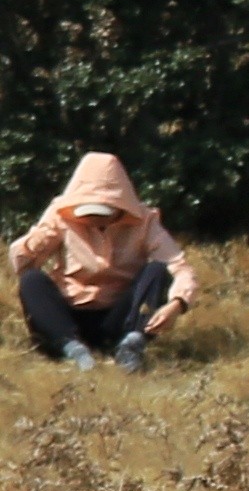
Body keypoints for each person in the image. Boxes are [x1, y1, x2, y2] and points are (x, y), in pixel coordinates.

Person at [12, 152, 202, 371]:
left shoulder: (144, 221)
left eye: (103, 213)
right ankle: (71, 349)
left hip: (118, 316)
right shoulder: (60, 214)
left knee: (157, 271)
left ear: (121, 206)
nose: (94, 219)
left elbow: (179, 267)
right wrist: (40, 238)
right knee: (31, 280)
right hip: (69, 315)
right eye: (88, 213)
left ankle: (130, 346)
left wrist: (178, 304)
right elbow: (22, 263)